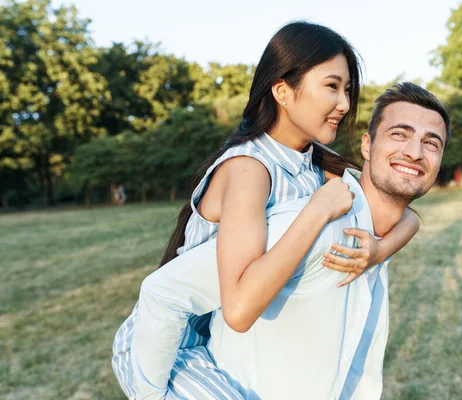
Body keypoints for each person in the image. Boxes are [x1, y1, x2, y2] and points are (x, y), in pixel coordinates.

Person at [112, 22, 421, 399]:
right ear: (282, 91)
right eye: (331, 86)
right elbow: (239, 311)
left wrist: (378, 252)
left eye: (347, 90)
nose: (343, 103)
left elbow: (403, 214)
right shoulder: (249, 170)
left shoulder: (317, 163)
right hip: (168, 349)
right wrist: (316, 212)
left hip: (216, 348)